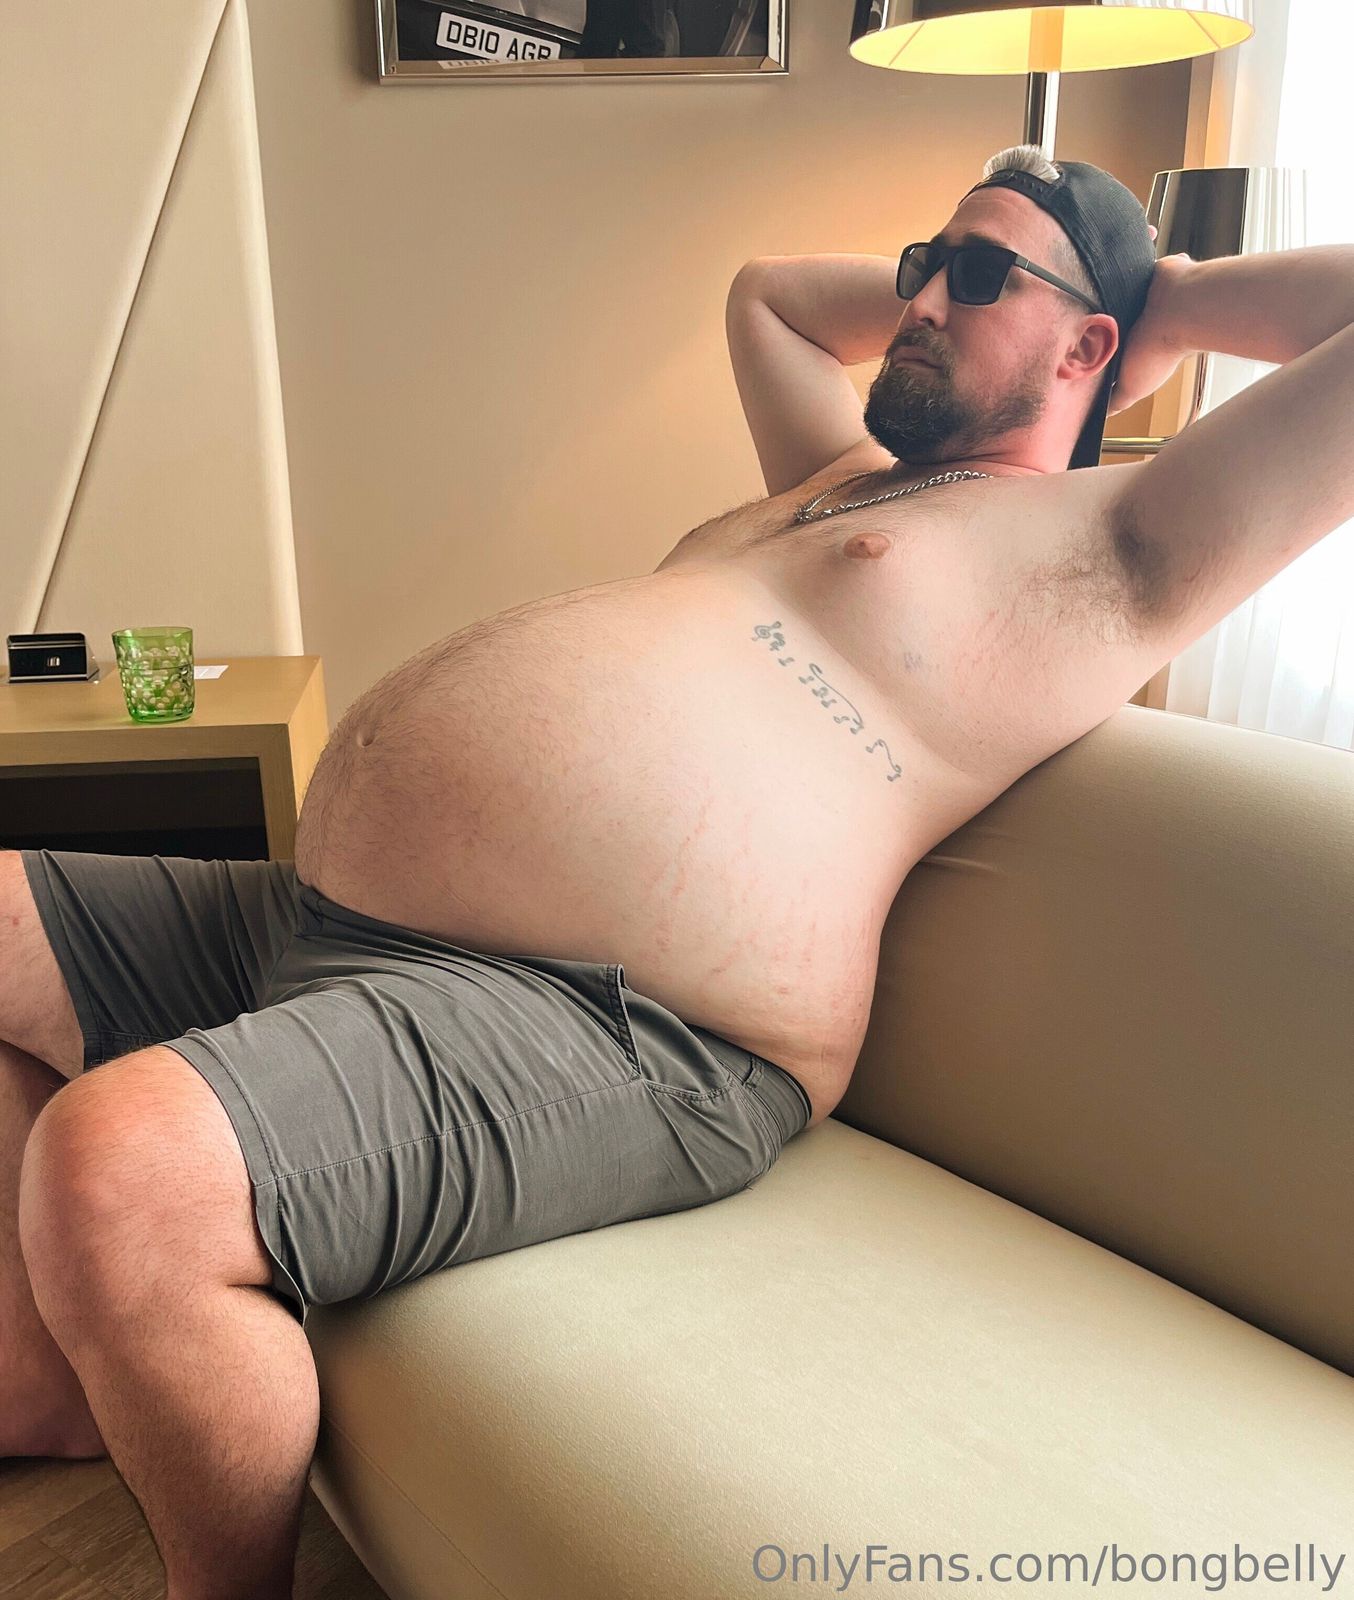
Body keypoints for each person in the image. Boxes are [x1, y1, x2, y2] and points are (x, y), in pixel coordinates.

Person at [5, 140, 1353, 1598]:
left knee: (121, 1167)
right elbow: (768, 295)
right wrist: (989, 276)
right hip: (337, 922)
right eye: (920, 264)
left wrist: (1168, 296)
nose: (917, 301)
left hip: (622, 1022)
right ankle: (68, 1387)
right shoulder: (836, 480)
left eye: (975, 276)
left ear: (1091, 347)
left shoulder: (1118, 547)